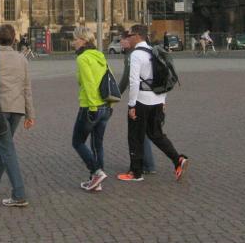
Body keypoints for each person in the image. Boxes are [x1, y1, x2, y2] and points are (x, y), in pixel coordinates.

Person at [117, 24, 188, 182]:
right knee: (157, 135)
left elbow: (134, 82)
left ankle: (135, 173)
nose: (128, 38)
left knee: (135, 136)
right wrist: (163, 101)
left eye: (130, 35)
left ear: (137, 36)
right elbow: (163, 78)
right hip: (157, 100)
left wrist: (132, 105)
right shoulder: (154, 51)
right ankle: (177, 159)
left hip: (141, 100)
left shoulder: (136, 55)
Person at [0, 24, 35, 208]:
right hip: (17, 110)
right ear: (14, 39)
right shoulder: (22, 59)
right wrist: (30, 113)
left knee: (7, 149)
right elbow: (27, 88)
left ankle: (19, 194)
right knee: (2, 146)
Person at [71, 26, 112, 192]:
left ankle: (96, 172)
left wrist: (92, 107)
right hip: (105, 106)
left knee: (77, 142)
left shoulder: (82, 58)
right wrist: (110, 104)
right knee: (97, 145)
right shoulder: (100, 55)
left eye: (75, 39)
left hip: (90, 106)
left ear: (83, 40)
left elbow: (88, 83)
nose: (73, 42)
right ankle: (96, 182)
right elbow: (108, 80)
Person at [118, 25, 156, 177]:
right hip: (153, 97)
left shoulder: (132, 55)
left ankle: (144, 165)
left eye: (122, 39)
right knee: (149, 132)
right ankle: (149, 163)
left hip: (141, 98)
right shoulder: (147, 51)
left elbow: (128, 79)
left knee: (139, 133)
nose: (120, 42)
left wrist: (117, 95)